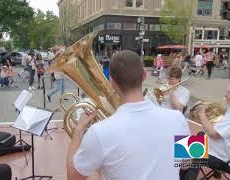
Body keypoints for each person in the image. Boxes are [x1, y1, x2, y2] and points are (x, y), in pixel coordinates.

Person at [67, 50, 190, 180]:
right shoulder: (179, 118)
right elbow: (187, 164)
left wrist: (78, 130)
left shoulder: (98, 131)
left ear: (111, 81)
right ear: (144, 75)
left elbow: (72, 177)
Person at [180, 84, 230, 180]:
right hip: (222, 150)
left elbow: (213, 134)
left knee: (184, 151)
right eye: (227, 91)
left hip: (222, 157)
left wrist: (201, 113)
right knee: (200, 136)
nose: (225, 95)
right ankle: (216, 173)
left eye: (229, 93)